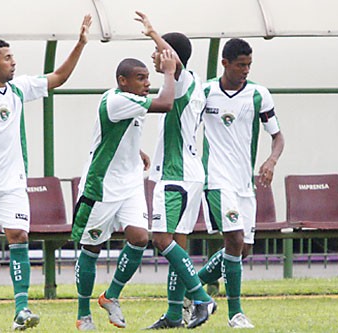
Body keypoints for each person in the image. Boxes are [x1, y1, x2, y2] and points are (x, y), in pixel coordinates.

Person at [0, 8, 91, 331]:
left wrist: (80, 44)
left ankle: (21, 309)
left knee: (19, 236)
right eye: (8, 58)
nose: (14, 62)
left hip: (13, 184)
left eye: (13, 57)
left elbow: (59, 77)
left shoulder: (21, 89)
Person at [72, 51, 178, 331]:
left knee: (140, 237)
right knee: (91, 246)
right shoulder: (117, 100)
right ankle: (84, 315)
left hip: (130, 183)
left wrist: (137, 151)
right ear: (122, 81)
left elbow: (115, 134)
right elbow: (166, 103)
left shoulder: (130, 100)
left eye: (148, 77)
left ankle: (111, 296)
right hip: (102, 186)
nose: (147, 83)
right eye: (140, 78)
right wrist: (169, 71)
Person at [191, 38, 285, 329]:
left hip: (244, 183)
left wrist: (270, 161)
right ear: (225, 64)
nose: (245, 70)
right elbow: (184, 129)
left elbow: (278, 136)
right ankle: (236, 313)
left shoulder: (259, 94)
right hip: (216, 179)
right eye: (240, 65)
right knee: (233, 239)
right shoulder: (205, 92)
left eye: (249, 65)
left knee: (241, 249)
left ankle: (189, 287)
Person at [134, 11, 216, 330]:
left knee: (162, 239)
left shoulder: (181, 80)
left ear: (169, 56)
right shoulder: (190, 83)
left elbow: (174, 65)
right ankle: (173, 315)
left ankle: (200, 298)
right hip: (186, 175)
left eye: (157, 52)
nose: (153, 57)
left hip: (177, 176)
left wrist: (154, 32)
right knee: (176, 246)